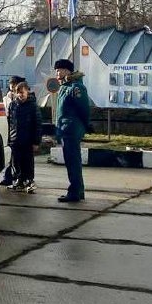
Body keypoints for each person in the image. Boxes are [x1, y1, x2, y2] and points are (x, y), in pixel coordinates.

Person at [54, 59, 90, 203]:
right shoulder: (64, 87)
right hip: (65, 129)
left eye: (60, 70)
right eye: (56, 70)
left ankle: (74, 192)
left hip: (71, 130)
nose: (57, 73)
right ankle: (78, 190)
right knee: (71, 161)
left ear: (67, 71)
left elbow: (84, 109)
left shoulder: (75, 87)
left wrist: (83, 126)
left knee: (73, 161)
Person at [7, 81, 42, 193]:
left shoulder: (32, 106)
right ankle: (19, 180)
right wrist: (9, 138)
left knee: (28, 161)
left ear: (27, 92)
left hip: (27, 140)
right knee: (15, 161)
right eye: (18, 93)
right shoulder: (13, 105)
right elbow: (10, 122)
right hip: (15, 140)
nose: (20, 95)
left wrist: (36, 141)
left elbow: (37, 124)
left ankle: (29, 181)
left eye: (22, 92)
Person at [0, 76, 25, 186]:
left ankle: (20, 177)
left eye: (14, 84)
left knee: (18, 156)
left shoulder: (21, 97)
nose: (12, 86)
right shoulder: (6, 98)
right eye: (11, 84)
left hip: (17, 129)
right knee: (8, 154)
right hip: (7, 127)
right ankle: (7, 177)